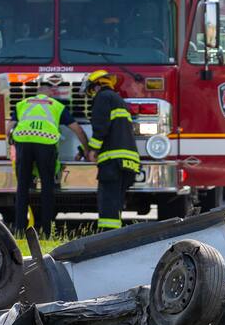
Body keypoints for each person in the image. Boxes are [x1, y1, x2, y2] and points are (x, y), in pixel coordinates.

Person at [82, 69, 140, 230]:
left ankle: (107, 236)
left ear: (97, 86)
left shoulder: (102, 98)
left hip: (112, 162)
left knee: (108, 201)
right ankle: (115, 234)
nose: (92, 94)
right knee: (116, 202)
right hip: (129, 162)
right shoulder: (118, 100)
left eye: (92, 90)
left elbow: (101, 127)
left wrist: (92, 150)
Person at [10, 93, 75, 236]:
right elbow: (76, 128)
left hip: (23, 141)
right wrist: (87, 149)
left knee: (22, 188)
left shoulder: (22, 104)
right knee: (47, 188)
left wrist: (7, 147)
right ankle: (46, 231)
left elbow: (10, 125)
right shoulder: (57, 105)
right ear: (51, 94)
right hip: (46, 144)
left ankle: (19, 229)